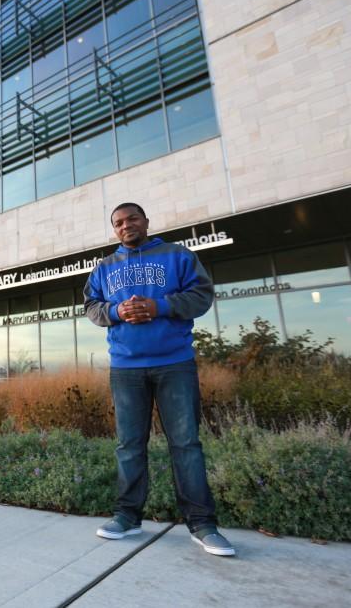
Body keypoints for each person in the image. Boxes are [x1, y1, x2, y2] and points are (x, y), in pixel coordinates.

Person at [83, 202, 235, 556]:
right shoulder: (104, 267)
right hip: (126, 367)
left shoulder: (178, 256)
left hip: (175, 363)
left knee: (186, 444)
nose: (126, 226)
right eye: (118, 223)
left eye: (132, 218)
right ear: (114, 229)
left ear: (146, 221)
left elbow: (202, 295)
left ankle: (202, 524)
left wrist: (160, 307)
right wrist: (117, 311)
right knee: (129, 444)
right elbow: (91, 307)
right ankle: (127, 516)